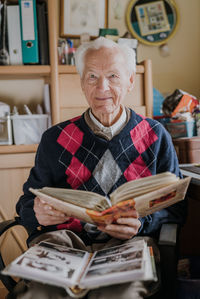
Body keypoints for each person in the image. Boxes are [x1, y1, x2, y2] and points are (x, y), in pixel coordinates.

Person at [15, 37, 185, 299]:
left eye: (113, 76)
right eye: (92, 76)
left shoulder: (155, 135)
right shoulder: (55, 138)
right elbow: (27, 200)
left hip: (129, 243)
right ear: (82, 82)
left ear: (130, 81)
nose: (101, 87)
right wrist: (36, 213)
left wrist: (141, 223)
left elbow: (175, 206)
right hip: (64, 242)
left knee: (120, 293)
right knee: (42, 290)